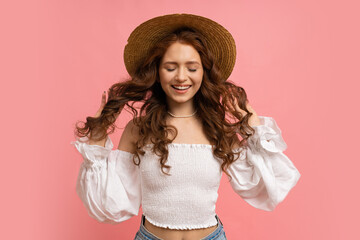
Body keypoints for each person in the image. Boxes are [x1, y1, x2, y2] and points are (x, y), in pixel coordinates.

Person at [71, 13, 301, 240]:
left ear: (204, 72)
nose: (181, 77)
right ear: (157, 72)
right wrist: (97, 139)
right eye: (171, 68)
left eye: (192, 68)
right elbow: (112, 204)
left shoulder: (218, 129)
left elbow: (266, 187)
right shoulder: (138, 129)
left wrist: (253, 127)